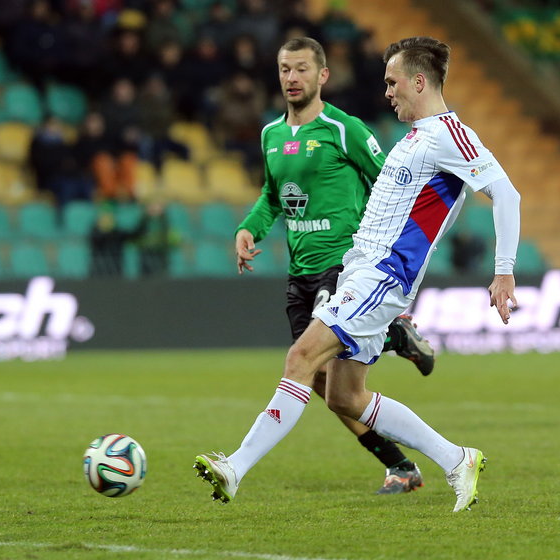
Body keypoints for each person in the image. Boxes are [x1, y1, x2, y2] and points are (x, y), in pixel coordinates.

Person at [196, 36, 521, 513]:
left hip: (384, 275)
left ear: (418, 81)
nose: (387, 92)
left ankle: (236, 468)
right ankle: (458, 459)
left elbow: (507, 194)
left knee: (301, 357)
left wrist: (504, 272)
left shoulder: (450, 134)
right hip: (360, 272)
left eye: (392, 82)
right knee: (345, 396)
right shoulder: (415, 136)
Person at [228, 37, 433, 495]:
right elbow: (270, 197)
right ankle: (402, 465)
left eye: (301, 69)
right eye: (284, 69)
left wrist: (389, 253)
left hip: (344, 266)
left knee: (304, 362)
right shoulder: (271, 136)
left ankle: (391, 327)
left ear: (322, 75)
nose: (291, 78)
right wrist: (250, 229)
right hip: (300, 273)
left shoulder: (345, 129)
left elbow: (391, 184)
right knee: (325, 388)